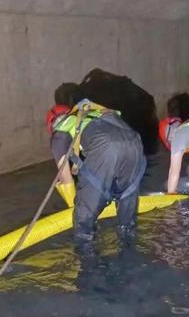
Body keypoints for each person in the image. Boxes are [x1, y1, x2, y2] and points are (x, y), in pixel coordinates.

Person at [46, 99, 146, 245]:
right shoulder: (95, 113)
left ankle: (90, 263)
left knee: (82, 221)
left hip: (106, 147)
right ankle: (131, 249)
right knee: (127, 216)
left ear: (52, 125)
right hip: (136, 144)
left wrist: (77, 207)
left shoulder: (59, 134)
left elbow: (66, 178)